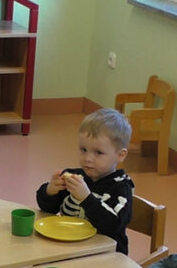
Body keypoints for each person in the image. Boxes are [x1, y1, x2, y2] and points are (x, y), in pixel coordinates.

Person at [36, 108, 134, 254]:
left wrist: (86, 198)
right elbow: (48, 209)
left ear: (120, 155)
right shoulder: (75, 176)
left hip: (105, 255)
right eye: (83, 149)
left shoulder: (122, 187)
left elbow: (114, 225)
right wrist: (50, 191)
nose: (88, 158)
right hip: (68, 247)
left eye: (98, 153)